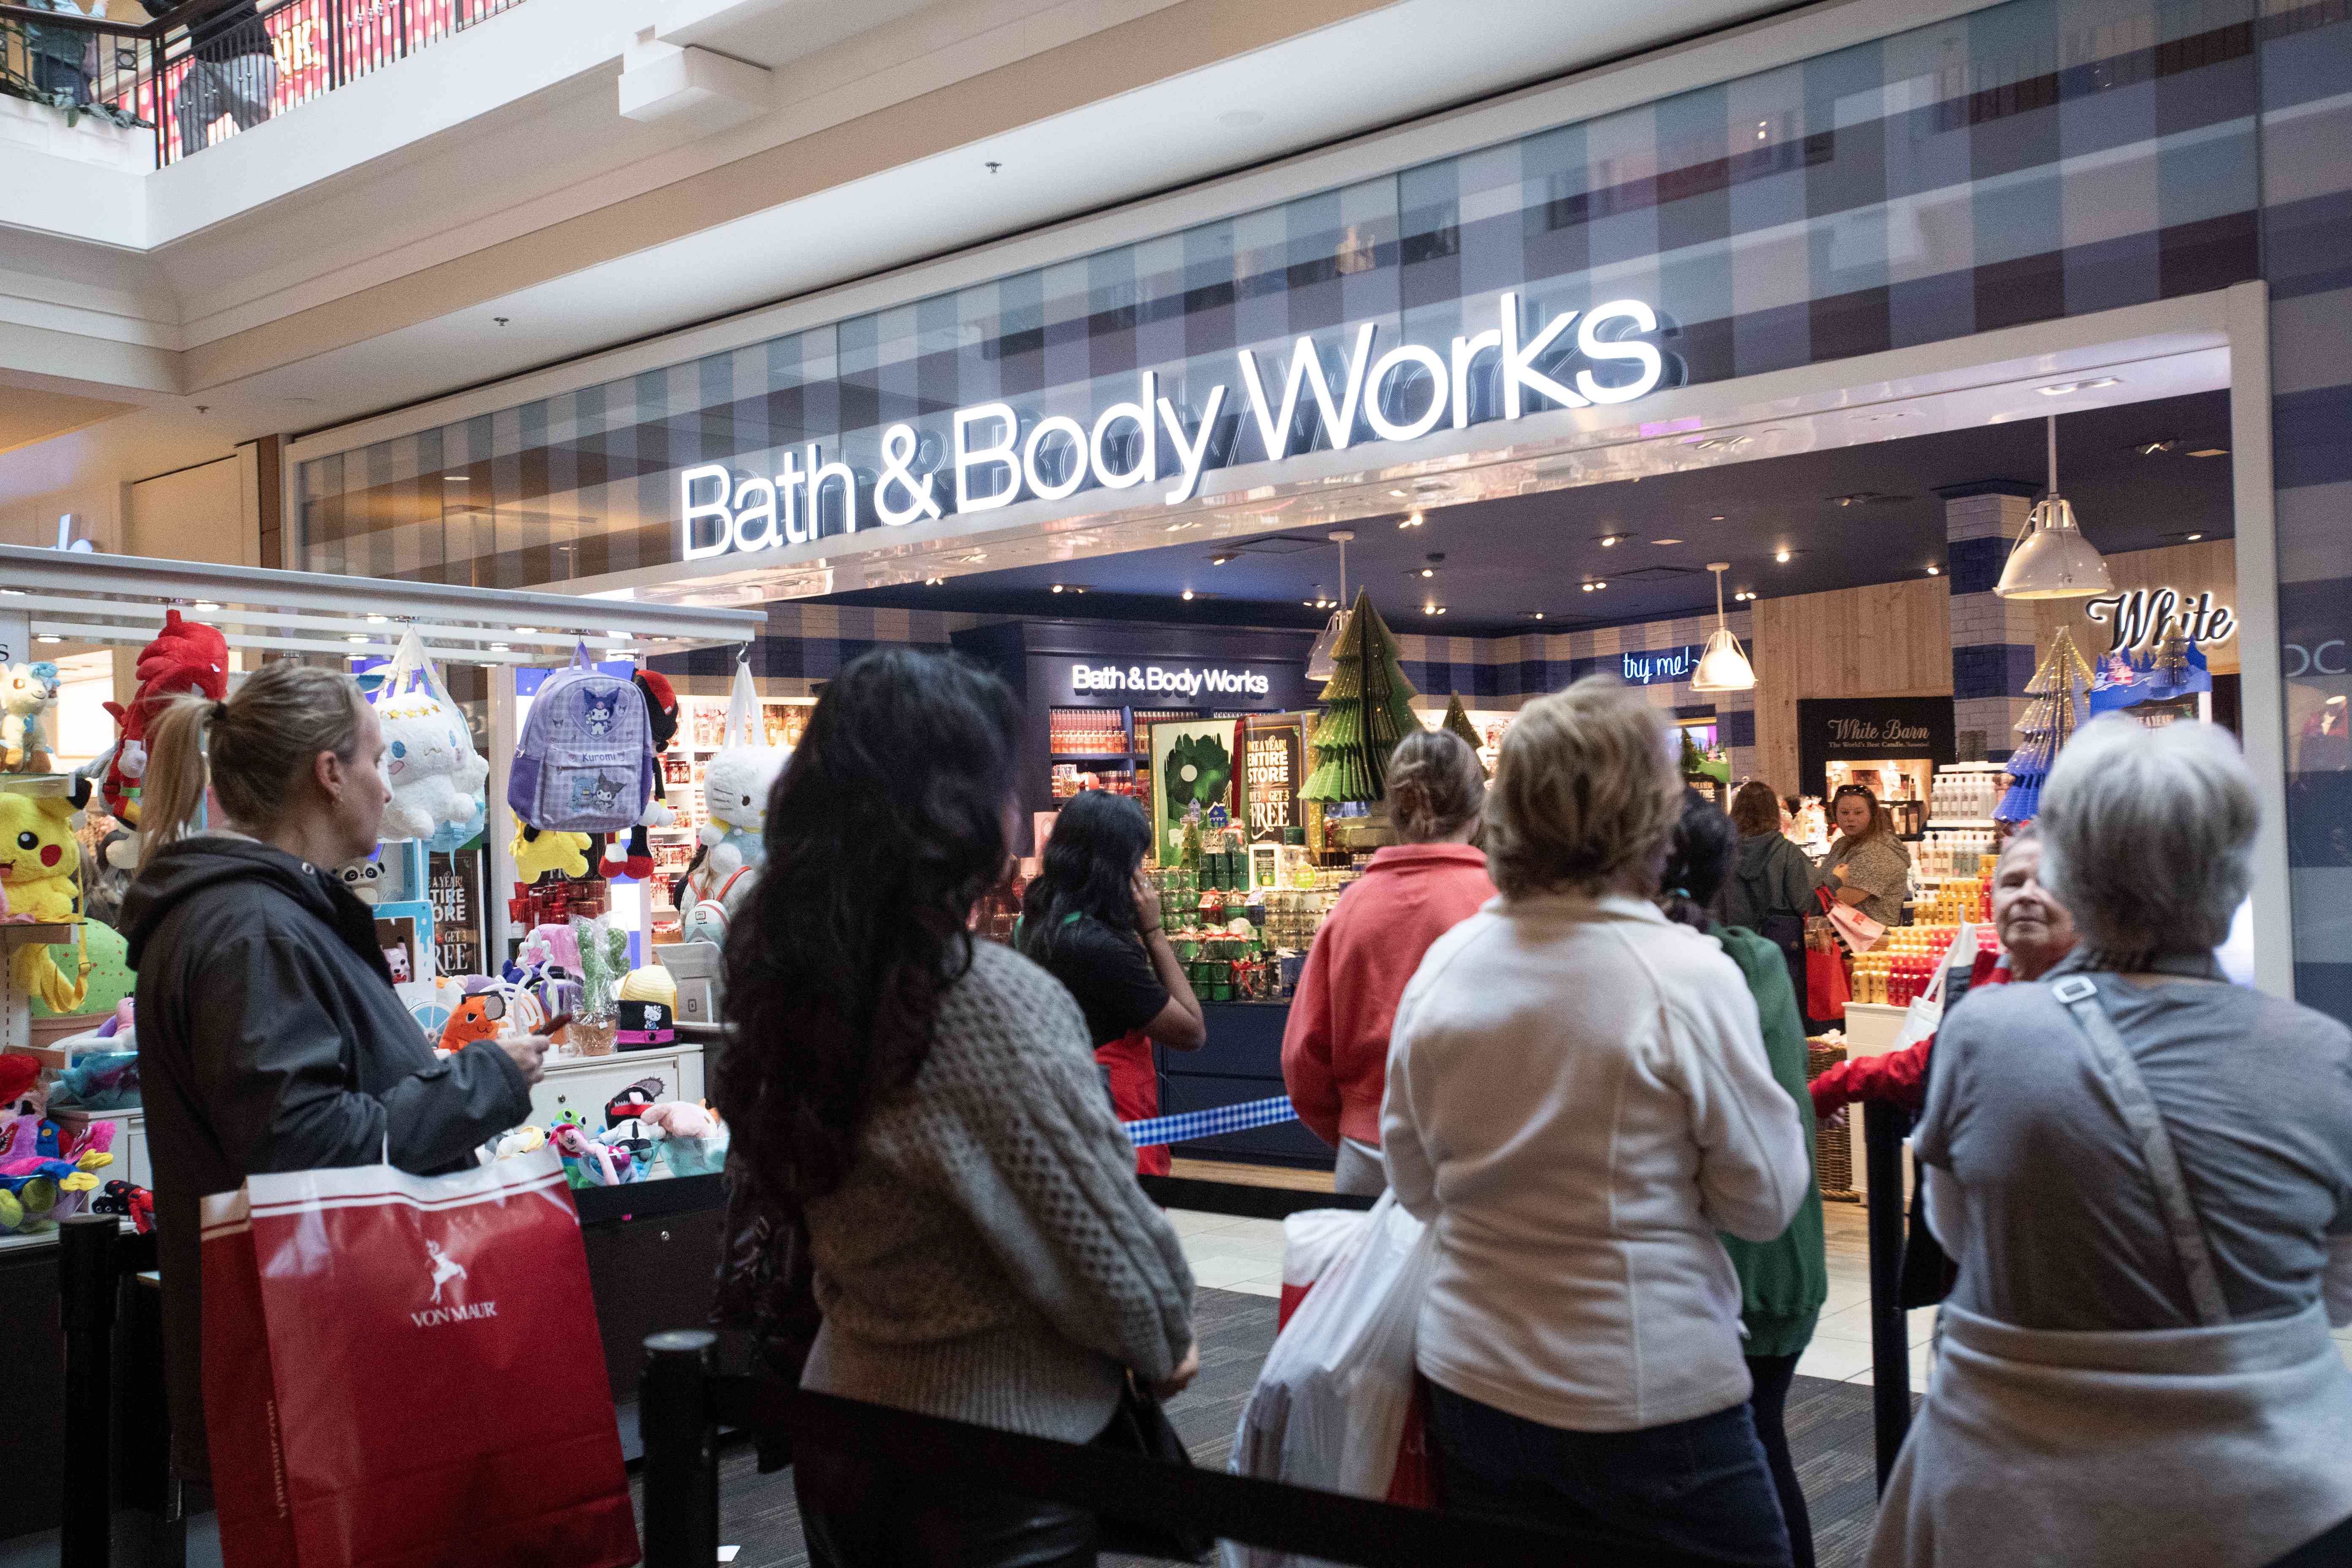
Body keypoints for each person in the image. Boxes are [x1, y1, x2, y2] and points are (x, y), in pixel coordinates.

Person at [716, 649, 1197, 1568]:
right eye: (998, 780)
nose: (1017, 810)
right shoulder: (989, 1003)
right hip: (998, 1466)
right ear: (950, 812)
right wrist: (1167, 1334)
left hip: (843, 1424)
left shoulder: (794, 985)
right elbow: (1130, 1277)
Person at [1872, 718, 2352, 1568]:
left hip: (2013, 1484)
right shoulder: (2323, 1054)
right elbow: (2339, 1285)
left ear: (2076, 876)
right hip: (2277, 1495)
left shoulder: (1987, 1032)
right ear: (2237, 873)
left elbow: (1958, 1230)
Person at [1383, 677, 1812, 1567]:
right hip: (1648, 1389)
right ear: (1640, 810)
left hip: (1472, 1373)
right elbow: (1764, 1201)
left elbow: (1415, 1184)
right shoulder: (1682, 972)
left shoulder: (1446, 964)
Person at [122, 662, 543, 1481]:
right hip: (316, 1354)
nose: (388, 787)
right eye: (379, 760)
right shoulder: (255, 932)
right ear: (328, 773)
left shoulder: (256, 917)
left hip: (314, 1343)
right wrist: (485, 1080)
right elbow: (306, 1142)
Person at [1661, 790, 1828, 1568]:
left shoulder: (1689, 968)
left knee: (1739, 1466)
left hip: (1734, 1266)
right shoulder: (1750, 960)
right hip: (1778, 1256)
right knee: (1757, 1449)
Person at [1282, 727, 1493, 1195]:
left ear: (1394, 809)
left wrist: (1355, 1123)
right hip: (1479, 1154)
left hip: (1367, 1152)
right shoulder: (1501, 906)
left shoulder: (1351, 908)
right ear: (1477, 813)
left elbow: (1302, 1057)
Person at [1810, 823, 2077, 1120]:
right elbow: (1928, 1064)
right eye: (2012, 883)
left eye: (2047, 883)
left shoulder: (2097, 993)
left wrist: (1840, 1082)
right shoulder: (1987, 982)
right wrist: (1838, 1084)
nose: (2027, 895)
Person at [1016, 789, 1205, 1176]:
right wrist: (1153, 931)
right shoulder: (1099, 948)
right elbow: (1191, 1030)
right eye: (1137, 861)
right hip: (1114, 1126)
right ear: (1116, 866)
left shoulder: (1030, 925)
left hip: (1054, 1112)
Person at [1717, 779, 1816, 1015]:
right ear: (1775, 813)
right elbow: (1806, 903)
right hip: (1781, 951)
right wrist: (1834, 881)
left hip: (1732, 947)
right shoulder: (1788, 854)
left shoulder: (1721, 854)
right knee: (1782, 1016)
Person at [174, 0, 277, 156]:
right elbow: (159, 8)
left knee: (252, 118)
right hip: (208, 59)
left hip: (246, 52)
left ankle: (264, 163)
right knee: (187, 105)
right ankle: (196, 168)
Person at [1816, 782, 1910, 928]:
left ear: (1872, 814)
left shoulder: (1879, 851)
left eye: (1858, 813)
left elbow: (1836, 900)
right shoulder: (1842, 843)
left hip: (1870, 943)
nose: (1850, 818)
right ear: (1835, 814)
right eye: (1844, 813)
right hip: (1846, 937)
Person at [21, 0, 106, 106]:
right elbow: (88, 30)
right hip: (60, 67)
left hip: (60, 66)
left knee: (82, 117)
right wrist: (100, 6)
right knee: (77, 117)